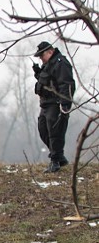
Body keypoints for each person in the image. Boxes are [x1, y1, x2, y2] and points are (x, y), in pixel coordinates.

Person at [32, 41, 76, 173]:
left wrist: (65, 105)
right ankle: (59, 157)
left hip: (56, 104)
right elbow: (46, 81)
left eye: (42, 55)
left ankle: (55, 161)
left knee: (54, 132)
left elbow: (66, 84)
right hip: (45, 104)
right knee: (43, 130)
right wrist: (38, 73)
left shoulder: (61, 63)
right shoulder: (48, 65)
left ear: (50, 52)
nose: (41, 58)